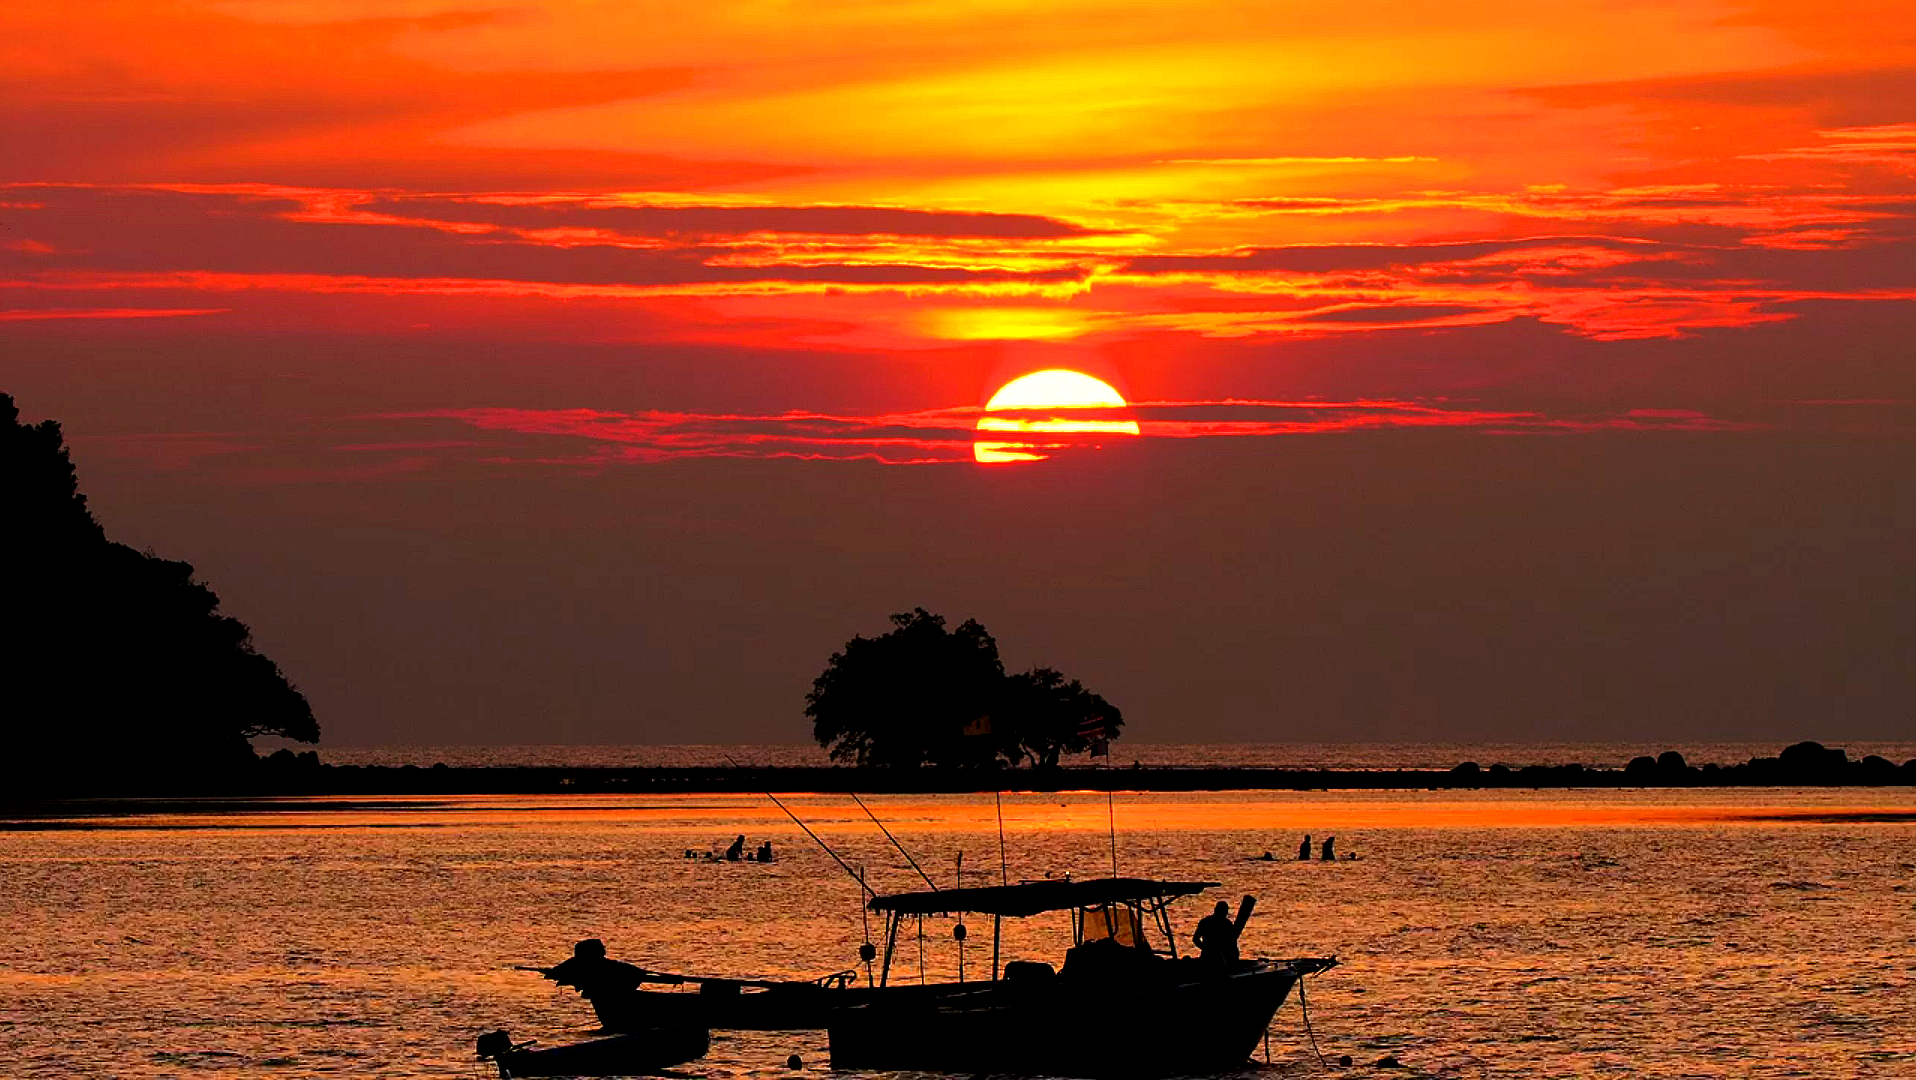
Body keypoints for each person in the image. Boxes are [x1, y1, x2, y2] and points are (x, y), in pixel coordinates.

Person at [540, 939, 646, 1003]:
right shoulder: (577, 963)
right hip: (606, 993)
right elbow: (558, 972)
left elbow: (637, 973)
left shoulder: (610, 965)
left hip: (612, 993)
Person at [1192, 901, 1240, 965]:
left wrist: (1205, 949)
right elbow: (1195, 939)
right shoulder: (1207, 922)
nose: (1225, 913)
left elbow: (1233, 943)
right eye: (1224, 910)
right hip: (1209, 958)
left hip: (1221, 957)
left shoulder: (1227, 924)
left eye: (1226, 911)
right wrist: (1207, 949)